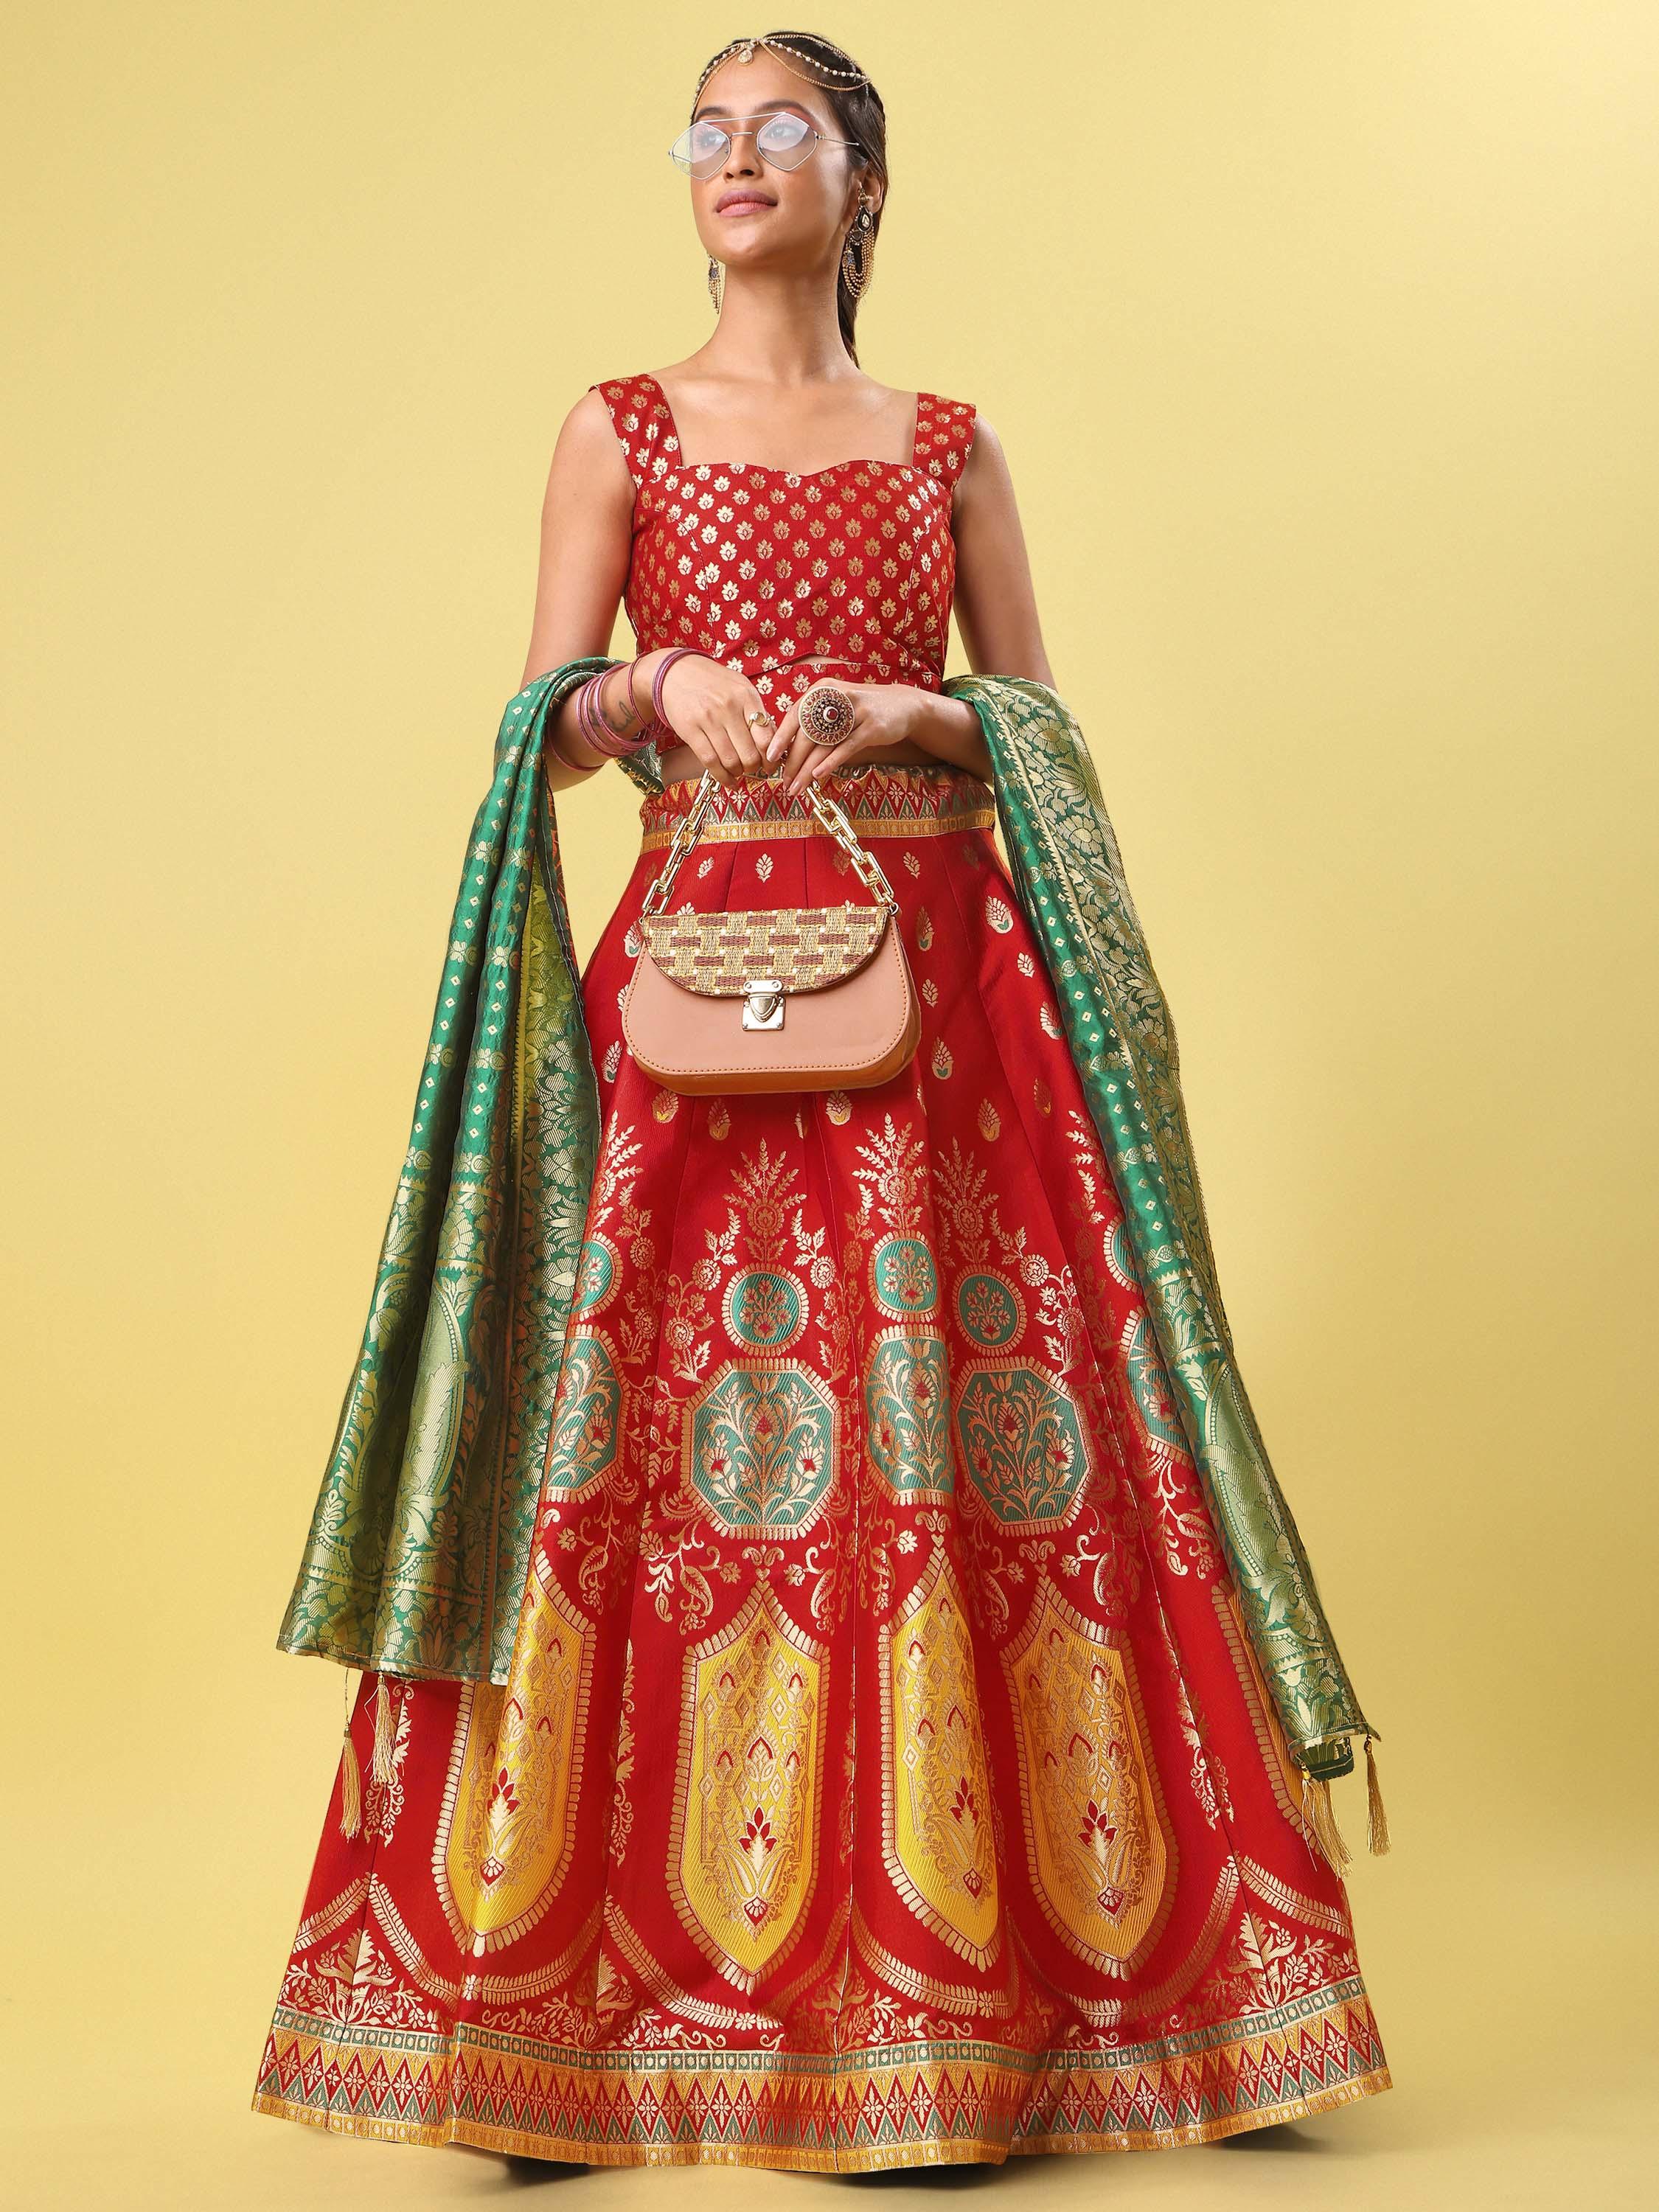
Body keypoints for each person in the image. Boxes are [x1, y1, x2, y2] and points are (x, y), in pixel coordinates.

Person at [252, 29, 1391, 2173]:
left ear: (864, 178)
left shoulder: (942, 443)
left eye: (785, 128)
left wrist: (914, 714)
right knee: (654, 1470)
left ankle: (993, 2010)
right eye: (708, 129)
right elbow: (550, 718)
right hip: (693, 1000)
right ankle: (552, 2029)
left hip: (940, 1007)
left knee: (969, 1457)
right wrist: (649, 687)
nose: (736, 158)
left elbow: (1035, 727)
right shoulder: (617, 426)